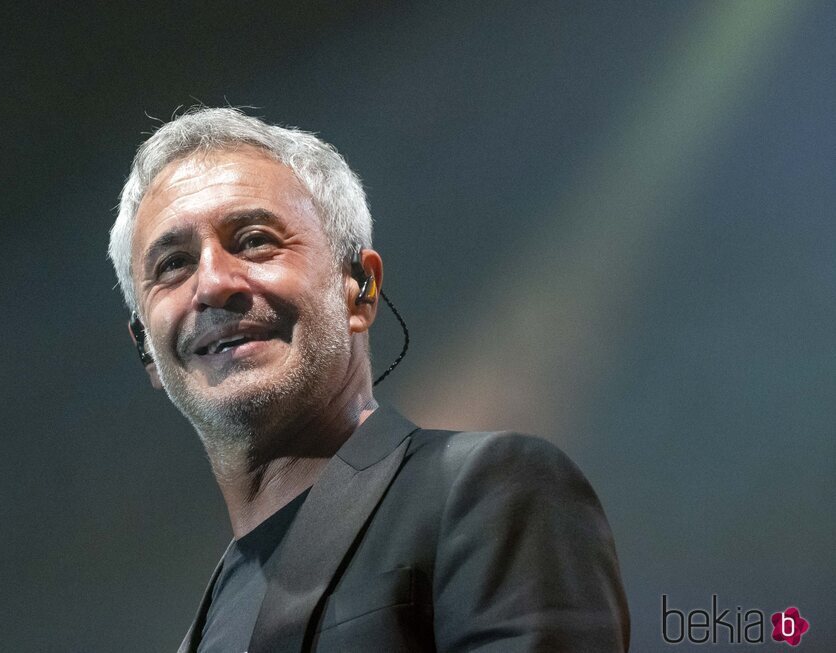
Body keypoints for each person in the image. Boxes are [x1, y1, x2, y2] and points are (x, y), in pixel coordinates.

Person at [108, 107, 630, 652]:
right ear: (147, 349)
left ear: (360, 288)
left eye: (255, 239)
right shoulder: (211, 619)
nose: (213, 283)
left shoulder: (487, 490)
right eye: (172, 264)